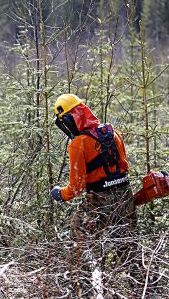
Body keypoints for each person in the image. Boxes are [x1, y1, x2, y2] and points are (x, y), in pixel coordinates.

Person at [50, 93, 137, 269]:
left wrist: (60, 194)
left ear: (71, 118)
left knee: (79, 243)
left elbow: (76, 188)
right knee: (130, 251)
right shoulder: (113, 134)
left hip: (99, 200)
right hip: (125, 197)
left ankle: (86, 288)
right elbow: (124, 166)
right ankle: (144, 289)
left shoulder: (78, 144)